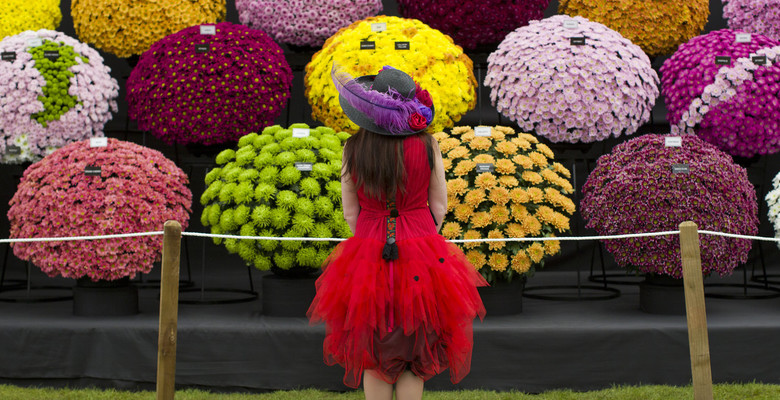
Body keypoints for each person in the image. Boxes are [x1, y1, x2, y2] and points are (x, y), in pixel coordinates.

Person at [308, 64, 487, 400]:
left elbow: (350, 211)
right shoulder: (428, 144)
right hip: (421, 244)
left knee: (374, 345)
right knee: (417, 346)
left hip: (369, 245)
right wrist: (421, 232)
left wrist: (370, 231)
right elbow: (440, 206)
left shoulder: (353, 147)